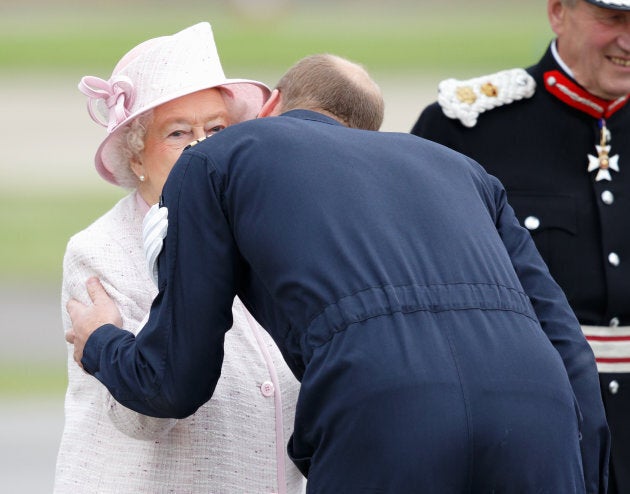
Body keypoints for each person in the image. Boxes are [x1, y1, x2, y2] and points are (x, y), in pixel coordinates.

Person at [66, 53, 609, 493]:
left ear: (271, 107)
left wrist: (101, 344)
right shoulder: (461, 170)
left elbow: (175, 382)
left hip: (386, 414)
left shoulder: (216, 159)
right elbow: (570, 351)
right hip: (540, 420)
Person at [54, 22, 306, 494]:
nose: (203, 148)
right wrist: (105, 343)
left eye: (216, 129)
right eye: (178, 133)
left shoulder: (266, 233)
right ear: (136, 157)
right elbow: (142, 417)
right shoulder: (99, 251)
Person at [411, 0, 630, 491]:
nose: (628, 41)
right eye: (612, 19)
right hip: (529, 428)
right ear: (558, 12)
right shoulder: (467, 126)